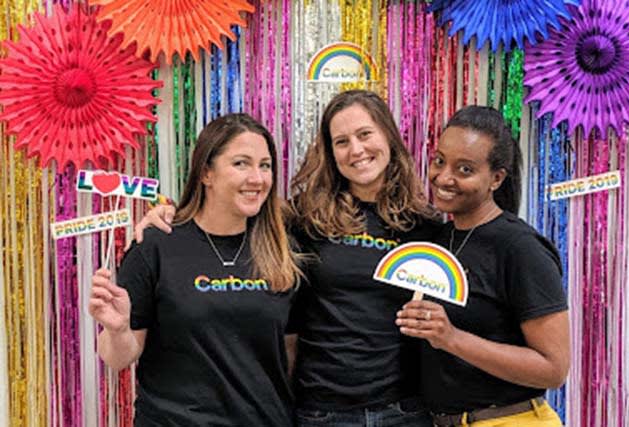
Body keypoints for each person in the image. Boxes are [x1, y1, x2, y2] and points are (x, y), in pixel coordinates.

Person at [137, 90, 439, 427]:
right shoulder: (306, 217)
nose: (356, 150)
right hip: (323, 411)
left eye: (365, 134)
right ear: (331, 152)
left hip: (403, 410)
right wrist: (169, 214)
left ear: (388, 136)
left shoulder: (425, 224)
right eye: (341, 141)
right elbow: (233, 204)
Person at [89, 113, 303, 427]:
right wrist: (118, 330)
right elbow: (117, 356)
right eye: (241, 164)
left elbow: (289, 354)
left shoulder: (284, 250)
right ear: (206, 173)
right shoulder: (156, 244)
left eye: (265, 165)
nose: (257, 178)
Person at [396, 106, 570, 427]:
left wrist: (451, 337)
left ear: (497, 178)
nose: (444, 177)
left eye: (464, 169)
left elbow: (554, 368)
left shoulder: (521, 248)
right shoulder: (438, 238)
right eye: (439, 161)